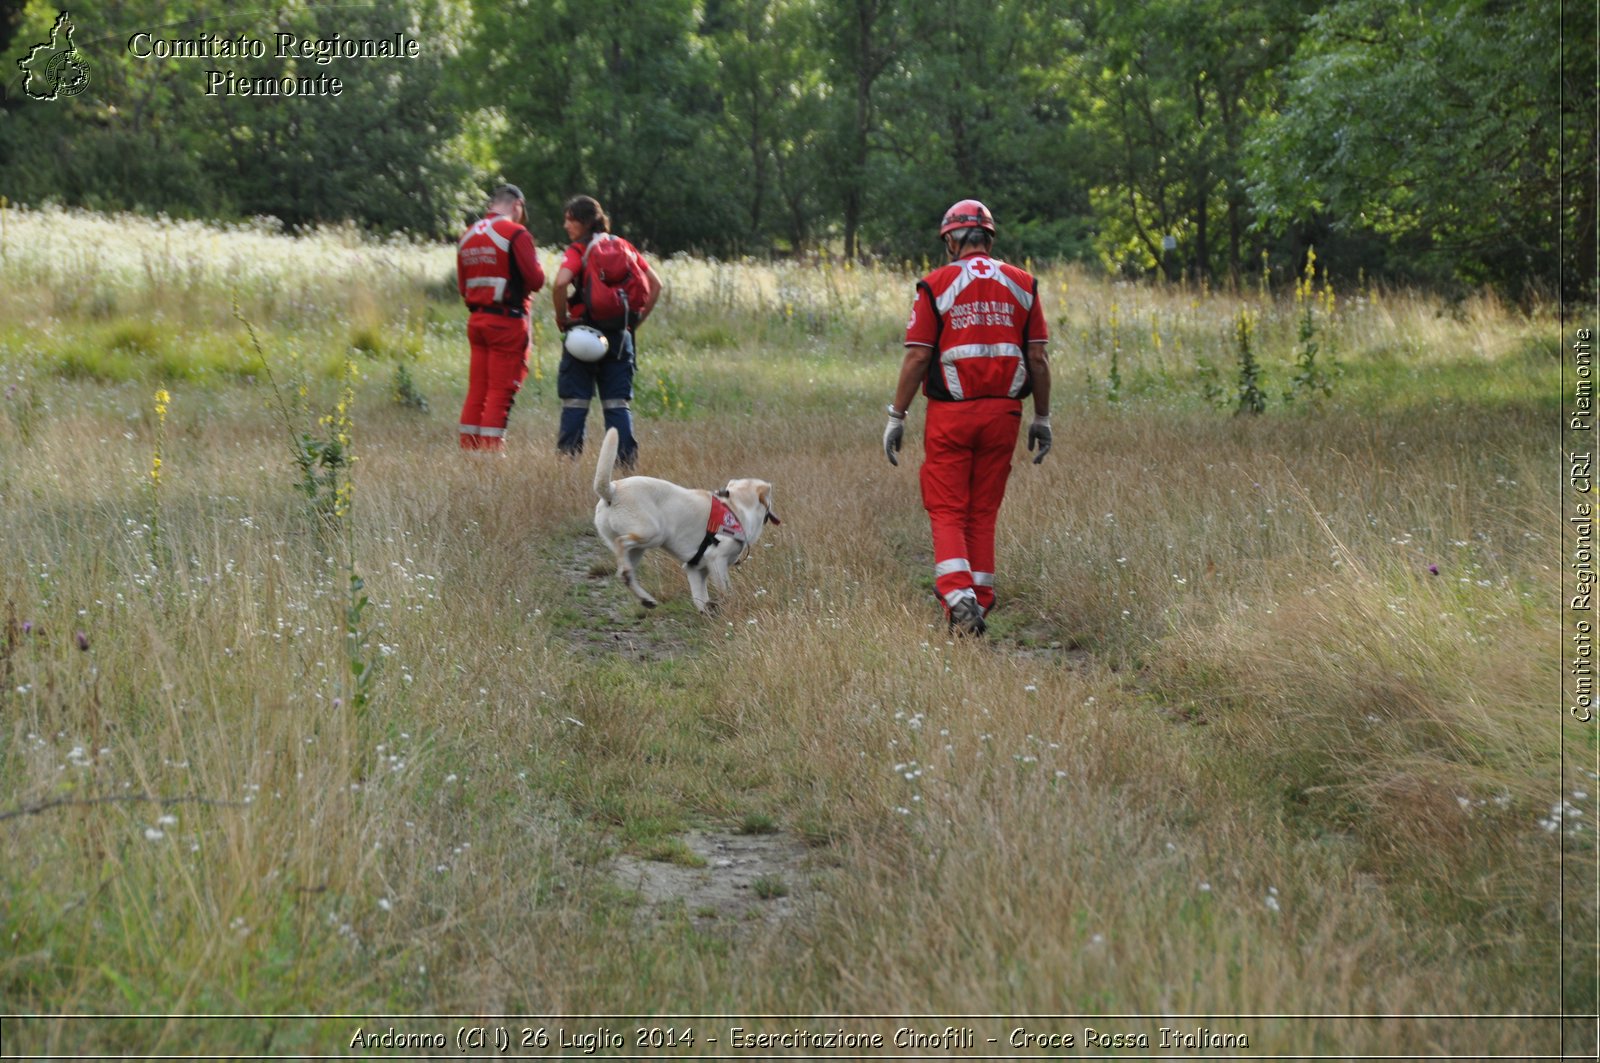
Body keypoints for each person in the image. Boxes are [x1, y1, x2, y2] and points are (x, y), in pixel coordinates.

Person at [882, 199, 1053, 637]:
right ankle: (979, 604)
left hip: (951, 415)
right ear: (989, 238)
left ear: (952, 241)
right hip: (1005, 415)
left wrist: (896, 415)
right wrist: (1043, 417)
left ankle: (958, 595)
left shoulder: (936, 285)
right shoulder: (1023, 284)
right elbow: (1037, 356)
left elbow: (919, 356)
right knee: (982, 510)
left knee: (946, 506)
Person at [551, 195, 662, 467]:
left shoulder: (577, 250)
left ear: (586, 222)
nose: (566, 225)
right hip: (619, 338)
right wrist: (633, 323)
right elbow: (655, 285)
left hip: (582, 337)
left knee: (576, 403)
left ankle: (568, 463)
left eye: (571, 219)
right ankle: (626, 464)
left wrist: (561, 317)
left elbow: (559, 284)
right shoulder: (624, 246)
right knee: (616, 405)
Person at [457, 184, 544, 451]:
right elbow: (536, 280)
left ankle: (469, 450)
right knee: (500, 390)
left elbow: (463, 287)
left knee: (478, 389)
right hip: (506, 322)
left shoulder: (467, 235)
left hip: (477, 321)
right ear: (517, 205)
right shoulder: (515, 233)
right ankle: (491, 455)